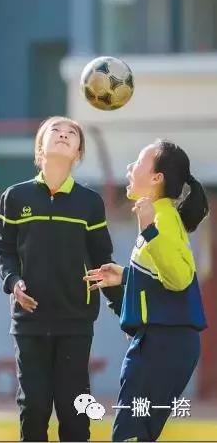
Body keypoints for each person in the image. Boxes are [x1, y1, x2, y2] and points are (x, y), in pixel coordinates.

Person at [0, 116, 124, 442]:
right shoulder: (15, 197)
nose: (64, 135)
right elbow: (2, 250)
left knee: (75, 409)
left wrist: (124, 311)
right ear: (41, 146)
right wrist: (13, 282)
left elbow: (102, 262)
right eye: (56, 131)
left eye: (72, 134)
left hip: (75, 321)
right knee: (33, 408)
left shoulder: (89, 203)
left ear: (78, 152)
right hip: (29, 321)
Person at [84, 139, 209, 442]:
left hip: (163, 343)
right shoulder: (160, 216)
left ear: (156, 178)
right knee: (136, 434)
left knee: (130, 434)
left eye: (138, 162)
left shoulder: (160, 219)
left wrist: (150, 230)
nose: (129, 168)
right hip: (162, 343)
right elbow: (164, 276)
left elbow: (179, 277)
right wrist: (127, 278)